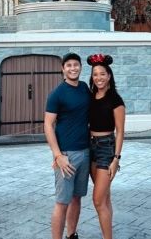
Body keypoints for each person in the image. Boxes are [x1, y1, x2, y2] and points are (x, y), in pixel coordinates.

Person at [44, 52, 91, 239]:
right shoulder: (57, 94)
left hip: (85, 152)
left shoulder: (85, 88)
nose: (73, 68)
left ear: (80, 67)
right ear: (63, 69)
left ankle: (72, 234)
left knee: (76, 198)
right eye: (69, 65)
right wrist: (57, 155)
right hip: (66, 155)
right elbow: (48, 124)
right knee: (62, 202)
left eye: (76, 64)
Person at [88, 53, 125, 239]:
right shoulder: (91, 96)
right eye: (95, 74)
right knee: (105, 198)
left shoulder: (116, 100)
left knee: (97, 200)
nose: (99, 78)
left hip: (106, 149)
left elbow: (120, 131)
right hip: (90, 148)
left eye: (102, 74)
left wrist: (116, 159)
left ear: (109, 76)